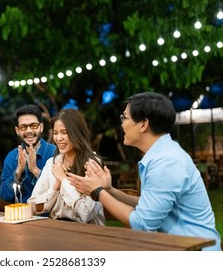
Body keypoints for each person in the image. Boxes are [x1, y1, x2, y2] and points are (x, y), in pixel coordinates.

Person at [68, 92, 221, 250]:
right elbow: (147, 205)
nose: (122, 123)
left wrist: (97, 191)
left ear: (143, 124)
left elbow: (142, 223)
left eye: (125, 117)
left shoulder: (165, 163)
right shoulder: (164, 154)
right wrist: (109, 189)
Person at [28, 108, 105, 225]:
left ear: (77, 133)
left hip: (88, 235)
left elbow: (85, 214)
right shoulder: (52, 163)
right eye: (55, 133)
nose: (58, 138)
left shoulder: (93, 164)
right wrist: (54, 189)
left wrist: (64, 180)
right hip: (58, 231)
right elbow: (32, 206)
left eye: (64, 132)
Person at [0, 104, 56, 204]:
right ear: (17, 131)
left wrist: (35, 170)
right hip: (20, 215)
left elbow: (59, 191)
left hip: (48, 217)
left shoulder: (54, 153)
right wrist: (18, 171)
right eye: (23, 127)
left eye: (33, 125)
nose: (29, 131)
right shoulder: (11, 157)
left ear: (41, 127)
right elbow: (3, 195)